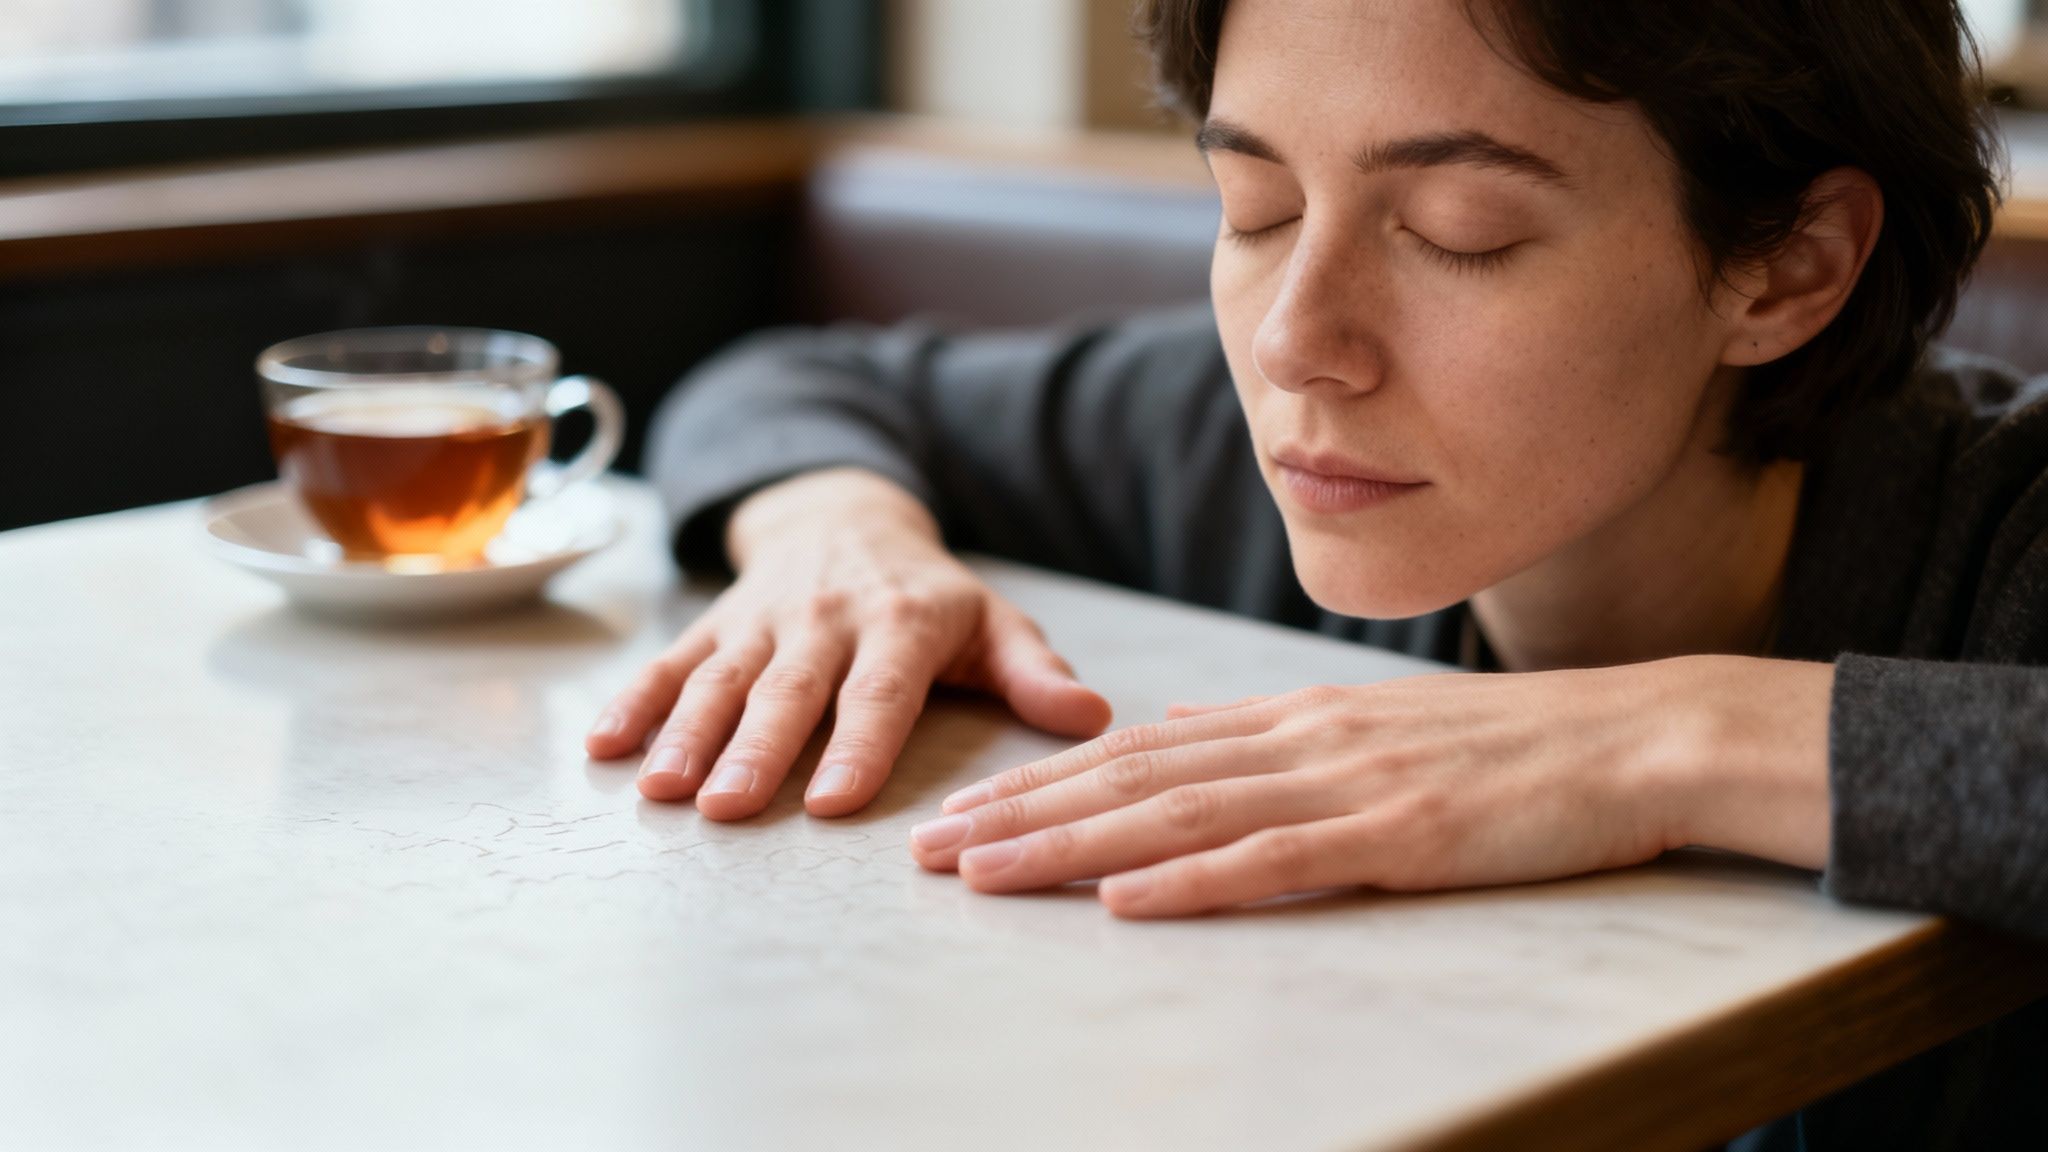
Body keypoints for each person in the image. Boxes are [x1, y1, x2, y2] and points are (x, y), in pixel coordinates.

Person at [586, 0, 2047, 1145]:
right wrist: (837, 537)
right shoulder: (1232, 438)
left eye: (1455, 235)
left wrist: (1663, 741)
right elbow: (805, 384)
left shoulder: (2007, 522)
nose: (1295, 342)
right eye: (1255, 207)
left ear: (1788, 267)